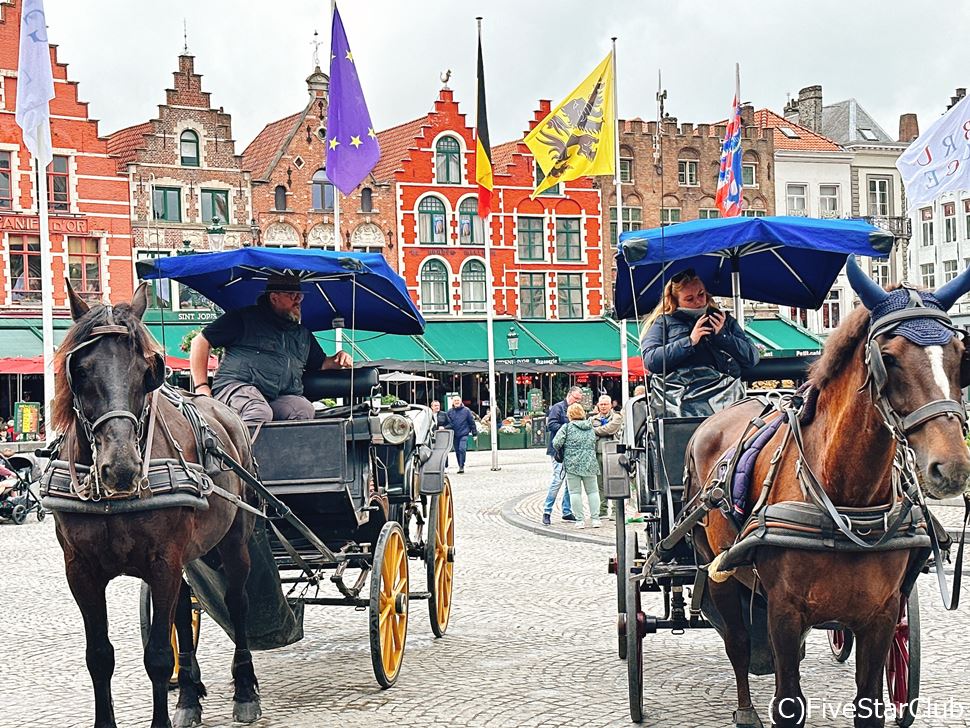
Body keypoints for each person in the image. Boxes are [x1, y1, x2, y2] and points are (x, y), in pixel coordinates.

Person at [189, 274, 352, 424]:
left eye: (300, 296)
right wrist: (202, 387)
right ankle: (244, 456)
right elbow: (200, 342)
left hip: (275, 396)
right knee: (258, 411)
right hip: (235, 387)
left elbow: (321, 364)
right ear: (274, 298)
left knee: (303, 409)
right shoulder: (242, 319)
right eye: (292, 295)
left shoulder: (302, 334)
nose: (298, 301)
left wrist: (338, 359)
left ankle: (290, 455)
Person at [640, 269, 759, 417]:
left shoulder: (724, 320)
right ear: (675, 301)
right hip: (680, 401)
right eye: (689, 299)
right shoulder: (664, 322)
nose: (698, 302)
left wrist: (723, 336)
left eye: (701, 294)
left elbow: (751, 358)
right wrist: (690, 341)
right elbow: (651, 360)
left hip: (725, 398)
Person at [553, 403, 601, 529]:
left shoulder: (567, 427)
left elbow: (556, 443)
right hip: (590, 462)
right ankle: (595, 519)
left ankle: (580, 520)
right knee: (593, 492)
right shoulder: (590, 427)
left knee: (575, 493)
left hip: (572, 463)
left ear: (569, 414)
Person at [542, 386, 581, 526]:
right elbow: (551, 425)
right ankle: (547, 511)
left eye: (579, 400)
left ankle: (566, 510)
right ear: (569, 395)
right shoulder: (558, 408)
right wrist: (567, 428)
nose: (577, 401)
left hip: (571, 451)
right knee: (558, 479)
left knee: (570, 482)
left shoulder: (576, 409)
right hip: (558, 451)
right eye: (576, 398)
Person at [590, 394, 623, 519]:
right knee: (600, 484)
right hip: (598, 453)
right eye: (601, 404)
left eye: (606, 404)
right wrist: (597, 430)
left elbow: (610, 429)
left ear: (611, 405)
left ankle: (615, 511)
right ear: (598, 405)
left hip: (613, 453)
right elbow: (591, 432)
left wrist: (596, 430)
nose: (603, 406)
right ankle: (603, 510)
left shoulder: (617, 417)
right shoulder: (593, 419)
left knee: (614, 482)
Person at [447, 396, 475, 474]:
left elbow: (471, 422)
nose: (456, 402)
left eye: (458, 400)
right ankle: (460, 465)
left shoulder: (466, 411)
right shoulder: (450, 412)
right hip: (455, 434)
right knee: (457, 451)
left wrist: (474, 433)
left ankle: (462, 465)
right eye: (455, 400)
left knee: (462, 449)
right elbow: (448, 423)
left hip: (464, 433)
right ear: (453, 402)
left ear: (461, 401)